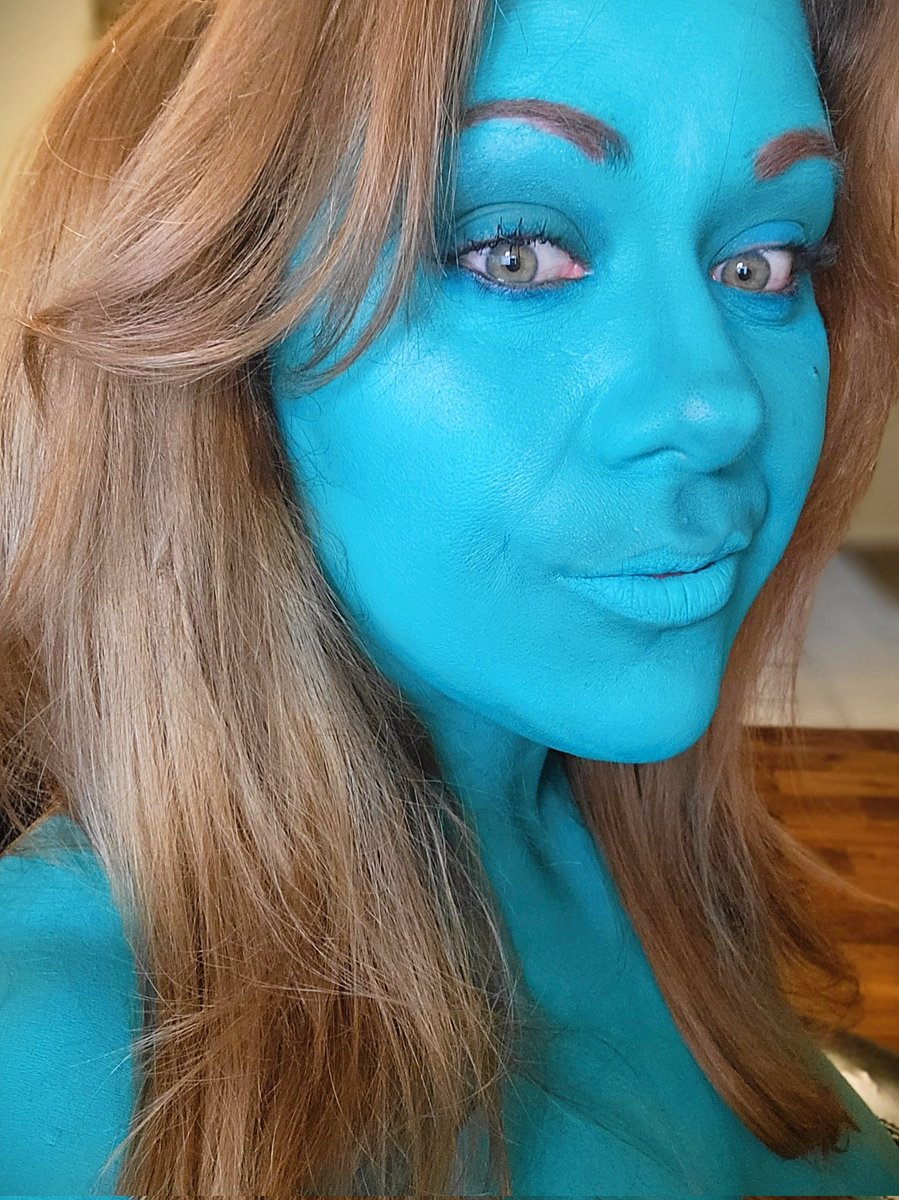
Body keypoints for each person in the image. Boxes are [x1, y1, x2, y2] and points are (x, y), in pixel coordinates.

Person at [0, 0, 898, 1193]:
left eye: (761, 262)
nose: (719, 405)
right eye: (513, 253)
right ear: (222, 348)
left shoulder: (637, 848)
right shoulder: (56, 1059)